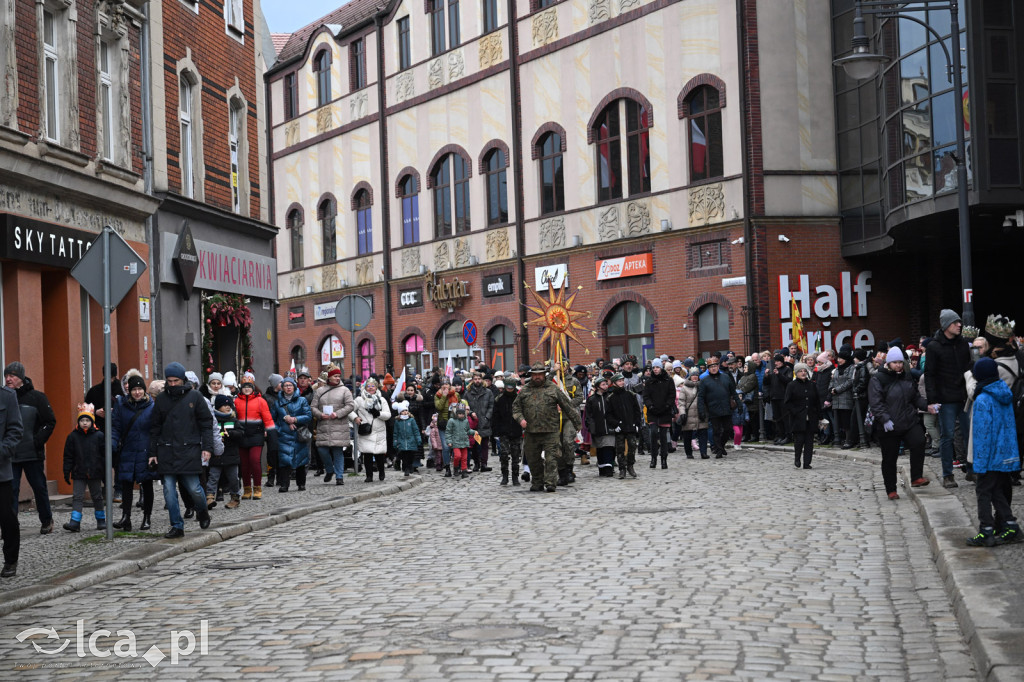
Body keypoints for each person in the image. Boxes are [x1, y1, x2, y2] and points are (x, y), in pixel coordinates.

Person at [149, 362, 213, 538]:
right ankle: (177, 525)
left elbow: (206, 424)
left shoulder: (195, 397)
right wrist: (152, 453)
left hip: (189, 450)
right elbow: (154, 427)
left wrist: (207, 447)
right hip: (166, 451)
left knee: (195, 489)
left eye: (175, 380)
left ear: (182, 379)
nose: (172, 384)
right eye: (169, 381)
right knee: (169, 491)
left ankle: (202, 511)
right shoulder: (161, 399)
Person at [965, 358, 1021, 546]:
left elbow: (982, 434)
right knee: (996, 490)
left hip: (988, 456)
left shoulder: (982, 399)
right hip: (1004, 453)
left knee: (983, 491)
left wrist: (978, 464)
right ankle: (1011, 525)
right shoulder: (1004, 393)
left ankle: (986, 530)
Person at [870, 347, 935, 500]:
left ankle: (916, 477)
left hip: (909, 420)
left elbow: (915, 397)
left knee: (919, 441)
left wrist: (927, 406)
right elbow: (875, 402)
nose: (898, 365)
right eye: (895, 363)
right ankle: (891, 489)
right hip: (889, 424)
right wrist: (885, 419)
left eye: (900, 362)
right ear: (888, 363)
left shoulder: (906, 377)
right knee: (890, 458)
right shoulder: (878, 378)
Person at [4, 362, 56, 535]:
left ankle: (47, 520)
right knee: (11, 490)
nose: (8, 379)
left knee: (39, 487)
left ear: (21, 378)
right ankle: (10, 527)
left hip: (32, 453)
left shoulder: (37, 398)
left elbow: (50, 421)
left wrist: (37, 441)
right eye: (6, 375)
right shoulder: (4, 398)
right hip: (10, 454)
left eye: (12, 375)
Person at [513, 363, 581, 492]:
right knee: (533, 459)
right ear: (531, 376)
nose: (537, 377)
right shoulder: (525, 390)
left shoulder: (553, 388)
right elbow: (516, 408)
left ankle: (550, 482)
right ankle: (537, 481)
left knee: (551, 458)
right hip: (531, 431)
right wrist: (520, 419)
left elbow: (567, 406)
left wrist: (577, 422)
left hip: (550, 430)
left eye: (540, 374)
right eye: (535, 375)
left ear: (544, 375)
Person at [925, 309, 971, 488]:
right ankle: (947, 475)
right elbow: (929, 374)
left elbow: (968, 366)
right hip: (945, 398)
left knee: (969, 435)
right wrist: (932, 399)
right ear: (946, 326)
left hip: (964, 397)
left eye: (960, 322)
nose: (959, 325)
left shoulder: (963, 344)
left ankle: (972, 470)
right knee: (947, 435)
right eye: (955, 323)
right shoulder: (934, 346)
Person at [110, 371, 157, 531]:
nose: (137, 392)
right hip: (128, 450)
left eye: (140, 389)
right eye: (134, 390)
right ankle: (126, 517)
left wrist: (153, 452)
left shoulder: (152, 406)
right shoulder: (122, 405)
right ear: (129, 391)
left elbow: (155, 430)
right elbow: (115, 427)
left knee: (147, 485)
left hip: (145, 451)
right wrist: (112, 444)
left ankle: (147, 517)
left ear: (144, 390)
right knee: (127, 485)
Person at [62, 404, 106, 532]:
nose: (85, 423)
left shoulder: (99, 436)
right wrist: (67, 470)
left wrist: (104, 472)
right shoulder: (72, 437)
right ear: (78, 422)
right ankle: (75, 522)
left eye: (87, 420)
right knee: (77, 496)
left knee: (97, 496)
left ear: (92, 421)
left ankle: (101, 520)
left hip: (95, 471)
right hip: (78, 471)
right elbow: (68, 455)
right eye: (82, 420)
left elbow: (104, 455)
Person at [311, 366, 355, 485]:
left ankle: (339, 476)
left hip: (338, 425)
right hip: (324, 425)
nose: (337, 378)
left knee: (337, 451)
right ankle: (329, 470)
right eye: (335, 376)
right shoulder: (320, 391)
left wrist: (338, 413)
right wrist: (320, 415)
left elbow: (350, 405)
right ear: (329, 377)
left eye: (338, 376)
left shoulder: (344, 390)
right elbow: (313, 407)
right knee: (322, 450)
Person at [235, 376, 276, 500]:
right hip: (241, 436)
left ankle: (257, 487)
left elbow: (267, 418)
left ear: (253, 388)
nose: (246, 389)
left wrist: (271, 433)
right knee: (244, 464)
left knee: (254, 460)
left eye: (249, 387)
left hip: (256, 435)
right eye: (244, 387)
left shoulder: (260, 401)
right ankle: (247, 489)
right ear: (241, 388)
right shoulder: (236, 401)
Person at [272, 377, 313, 492]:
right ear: (282, 387)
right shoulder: (277, 403)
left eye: (290, 385)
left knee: (301, 459)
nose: (288, 387)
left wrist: (295, 419)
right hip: (284, 435)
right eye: (286, 385)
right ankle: (284, 485)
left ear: (294, 387)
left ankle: (301, 484)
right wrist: (280, 429)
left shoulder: (302, 400)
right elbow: (272, 420)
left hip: (299, 433)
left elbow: (308, 416)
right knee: (285, 460)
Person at [0, 380, 23, 577]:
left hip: (1, 471)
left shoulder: (7, 396)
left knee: (6, 517)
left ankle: (10, 560)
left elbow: (15, 430)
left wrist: (2, 451)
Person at [697, 357, 736, 458]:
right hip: (713, 409)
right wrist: (701, 410)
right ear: (708, 369)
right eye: (711, 367)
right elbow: (701, 397)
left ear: (718, 367)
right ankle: (719, 449)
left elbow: (733, 392)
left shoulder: (726, 377)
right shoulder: (704, 381)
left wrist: (738, 404)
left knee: (728, 429)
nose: (713, 368)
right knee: (716, 431)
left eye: (715, 366)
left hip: (726, 407)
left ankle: (721, 446)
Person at [208, 395, 242, 509]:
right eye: (224, 405)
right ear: (218, 407)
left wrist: (231, 434)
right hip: (216, 456)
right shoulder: (213, 421)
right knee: (213, 477)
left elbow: (241, 433)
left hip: (231, 455)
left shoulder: (233, 420)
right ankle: (210, 497)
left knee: (233, 479)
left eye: (229, 405)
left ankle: (235, 497)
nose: (228, 407)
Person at [353, 378, 391, 481]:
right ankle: (369, 475)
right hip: (366, 430)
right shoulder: (359, 399)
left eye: (372, 386)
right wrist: (355, 418)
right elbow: (350, 409)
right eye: (368, 386)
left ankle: (381, 472)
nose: (370, 388)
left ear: (376, 387)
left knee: (379, 454)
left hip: (379, 430)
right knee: (367, 454)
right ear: (365, 388)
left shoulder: (381, 399)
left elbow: (388, 414)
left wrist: (379, 414)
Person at [784, 363, 820, 469]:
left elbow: (817, 401)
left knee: (809, 441)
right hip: (798, 418)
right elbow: (787, 402)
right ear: (796, 373)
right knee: (799, 440)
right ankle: (797, 459)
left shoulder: (812, 385)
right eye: (801, 371)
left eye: (805, 371)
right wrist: (796, 412)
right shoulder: (792, 385)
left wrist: (819, 415)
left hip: (811, 416)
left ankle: (807, 462)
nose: (803, 373)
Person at [608, 372, 643, 478]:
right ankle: (622, 468)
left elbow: (637, 410)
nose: (622, 382)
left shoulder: (630, 395)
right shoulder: (611, 398)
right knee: (620, 449)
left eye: (622, 380)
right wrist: (615, 424)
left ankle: (630, 466)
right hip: (620, 427)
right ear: (614, 383)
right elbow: (609, 414)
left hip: (630, 425)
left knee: (632, 446)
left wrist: (637, 423)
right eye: (619, 381)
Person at [643, 359, 676, 469]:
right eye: (653, 368)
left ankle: (664, 459)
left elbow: (672, 395)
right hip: (653, 411)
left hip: (665, 411)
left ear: (661, 368)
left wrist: (667, 406)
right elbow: (646, 396)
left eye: (657, 367)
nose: (655, 369)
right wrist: (650, 406)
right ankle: (653, 458)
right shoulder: (649, 381)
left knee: (663, 436)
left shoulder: (668, 380)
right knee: (653, 434)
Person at [492, 376, 523, 485]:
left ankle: (515, 477)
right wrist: (495, 431)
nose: (509, 389)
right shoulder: (499, 399)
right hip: (503, 431)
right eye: (508, 387)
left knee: (515, 456)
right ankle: (505, 476)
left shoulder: (519, 398)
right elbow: (495, 416)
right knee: (504, 455)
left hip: (516, 431)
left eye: (511, 388)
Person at [585, 375, 616, 477]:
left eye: (606, 384)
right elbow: (589, 415)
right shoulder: (592, 399)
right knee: (600, 449)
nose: (606, 386)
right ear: (598, 386)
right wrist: (591, 426)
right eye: (603, 384)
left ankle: (609, 468)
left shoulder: (610, 397)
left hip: (610, 427)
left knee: (609, 447)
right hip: (598, 428)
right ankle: (602, 468)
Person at [465, 371, 495, 473]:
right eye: (475, 379)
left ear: (481, 380)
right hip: (474, 423)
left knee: (484, 445)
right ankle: (476, 463)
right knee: (475, 445)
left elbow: (491, 406)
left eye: (479, 379)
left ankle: (484, 464)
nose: (477, 381)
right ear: (472, 380)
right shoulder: (468, 393)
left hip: (484, 422)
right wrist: (471, 413)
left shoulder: (488, 392)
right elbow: (465, 406)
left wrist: (487, 417)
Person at [84, 363, 123, 435]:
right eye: (108, 377)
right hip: (99, 430)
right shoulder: (94, 391)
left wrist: (115, 411)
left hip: (119, 429)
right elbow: (85, 409)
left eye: (112, 377)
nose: (110, 380)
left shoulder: (122, 390)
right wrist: (96, 412)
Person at [828, 350, 856, 449]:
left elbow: (850, 381)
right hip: (836, 398)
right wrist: (831, 388)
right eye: (838, 358)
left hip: (846, 397)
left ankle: (849, 440)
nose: (839, 360)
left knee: (846, 420)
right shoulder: (836, 369)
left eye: (841, 359)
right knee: (839, 420)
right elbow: (832, 380)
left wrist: (837, 389)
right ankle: (841, 439)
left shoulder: (851, 368)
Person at [677, 368, 708, 459]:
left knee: (703, 434)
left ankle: (703, 452)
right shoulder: (685, 388)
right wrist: (682, 413)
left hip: (701, 413)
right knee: (687, 435)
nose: (695, 377)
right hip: (688, 414)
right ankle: (689, 453)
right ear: (690, 376)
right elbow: (681, 402)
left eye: (696, 375)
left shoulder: (702, 386)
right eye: (693, 375)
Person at [765, 354, 793, 444]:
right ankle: (780, 435)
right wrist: (766, 376)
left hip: (783, 397)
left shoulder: (787, 369)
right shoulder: (773, 371)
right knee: (777, 418)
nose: (776, 363)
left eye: (778, 361)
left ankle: (788, 436)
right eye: (775, 361)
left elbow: (788, 381)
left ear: (782, 362)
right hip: (774, 397)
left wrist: (779, 374)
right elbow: (767, 383)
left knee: (785, 418)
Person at [445, 405, 477, 479]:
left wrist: (474, 432)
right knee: (457, 456)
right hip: (455, 442)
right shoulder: (451, 421)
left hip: (464, 442)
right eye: (460, 414)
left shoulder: (465, 421)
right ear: (456, 413)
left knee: (464, 458)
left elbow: (468, 430)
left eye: (462, 414)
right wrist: (449, 441)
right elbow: (448, 432)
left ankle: (464, 471)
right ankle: (456, 467)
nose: (461, 415)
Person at [392, 400, 421, 476]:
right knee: (404, 456)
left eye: (406, 410)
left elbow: (416, 430)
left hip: (411, 441)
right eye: (403, 411)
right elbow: (396, 432)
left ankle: (410, 465)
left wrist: (418, 439)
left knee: (410, 455)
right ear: (400, 412)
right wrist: (395, 441)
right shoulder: (398, 421)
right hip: (402, 441)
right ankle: (406, 468)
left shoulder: (411, 420)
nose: (405, 412)